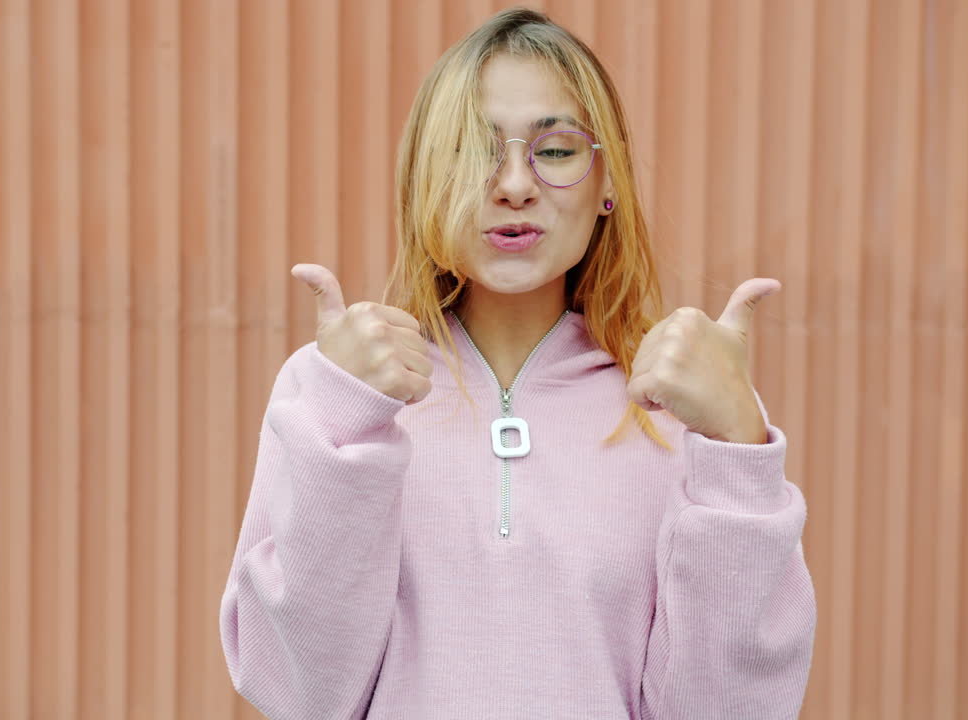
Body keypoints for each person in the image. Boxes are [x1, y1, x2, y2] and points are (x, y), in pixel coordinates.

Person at [220, 8, 816, 719]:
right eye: (473, 149)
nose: (513, 184)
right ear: (422, 182)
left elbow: (725, 709)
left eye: (556, 149)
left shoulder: (684, 405)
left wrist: (735, 448)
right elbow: (301, 692)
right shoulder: (333, 392)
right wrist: (345, 419)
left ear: (608, 183)